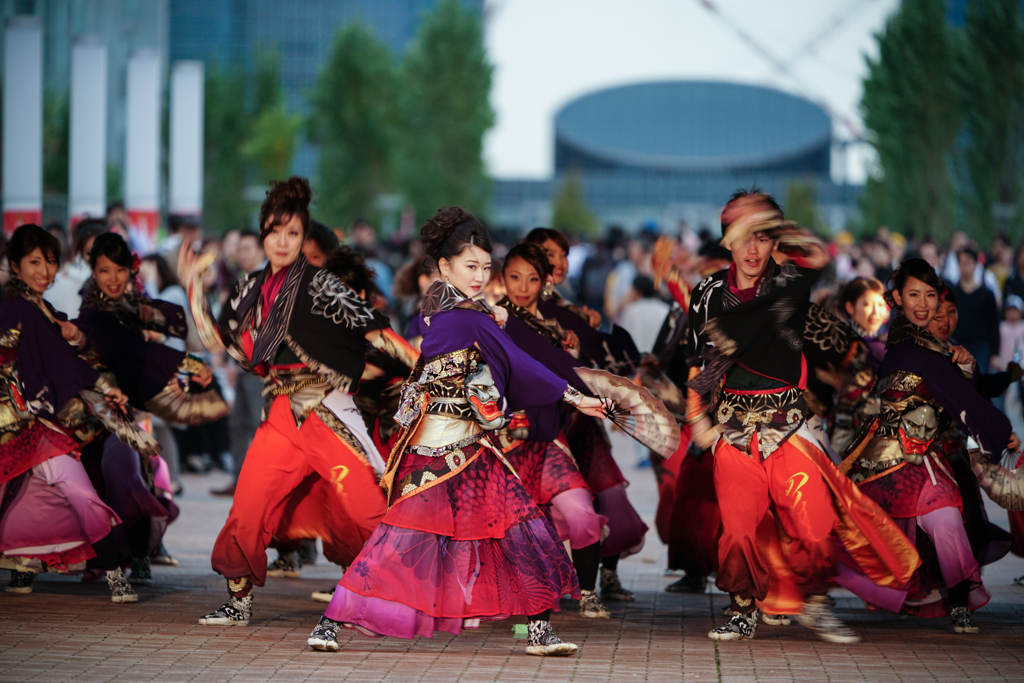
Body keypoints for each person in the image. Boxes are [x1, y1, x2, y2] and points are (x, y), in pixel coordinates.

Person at [310, 207, 608, 656]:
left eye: (486, 268)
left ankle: (540, 629)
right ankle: (331, 621)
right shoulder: (467, 318)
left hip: (464, 445)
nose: (480, 276)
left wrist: (491, 313)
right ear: (445, 266)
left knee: (516, 523)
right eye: (471, 267)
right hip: (441, 449)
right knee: (406, 538)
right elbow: (518, 362)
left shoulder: (439, 305)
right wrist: (574, 396)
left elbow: (484, 342)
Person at [688, 191, 917, 643]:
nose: (753, 249)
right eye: (742, 237)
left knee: (813, 521)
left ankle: (815, 601)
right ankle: (742, 609)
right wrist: (697, 419)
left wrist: (776, 224)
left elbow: (817, 254)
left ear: (774, 240)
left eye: (762, 237)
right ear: (727, 241)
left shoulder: (789, 282)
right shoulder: (708, 294)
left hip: (789, 425)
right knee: (737, 530)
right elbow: (700, 363)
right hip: (732, 429)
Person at [179, 177, 399, 627]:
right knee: (247, 508)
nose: (282, 241)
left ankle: (400, 589)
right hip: (280, 414)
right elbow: (219, 342)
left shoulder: (320, 285)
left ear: (302, 237)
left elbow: (376, 332)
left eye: (293, 233)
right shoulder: (248, 288)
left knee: (367, 508)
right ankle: (238, 601)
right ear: (263, 233)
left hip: (326, 408)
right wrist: (193, 291)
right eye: (275, 232)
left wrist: (428, 364)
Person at [842, 259, 1017, 632]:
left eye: (930, 296)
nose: (924, 305)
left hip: (926, 461)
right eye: (914, 295)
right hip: (885, 464)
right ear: (897, 299)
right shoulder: (909, 347)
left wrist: (968, 370)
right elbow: (957, 392)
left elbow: (962, 389)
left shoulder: (928, 347)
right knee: (849, 534)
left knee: (946, 521)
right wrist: (1000, 431)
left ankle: (958, 602)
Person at [76, 233, 230, 582]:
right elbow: (124, 349)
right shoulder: (91, 312)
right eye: (104, 270)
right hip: (91, 413)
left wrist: (184, 294)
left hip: (132, 412)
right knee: (98, 480)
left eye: (120, 270)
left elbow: (186, 335)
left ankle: (140, 552)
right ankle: (109, 558)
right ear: (93, 271)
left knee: (129, 473)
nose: (113, 278)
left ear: (131, 271)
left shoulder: (140, 306)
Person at [0, 225, 137, 602]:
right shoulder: (14, 309)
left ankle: (113, 572)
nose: (45, 271)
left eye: (50, 262)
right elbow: (61, 363)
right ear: (15, 265)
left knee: (74, 490)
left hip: (40, 426)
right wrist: (102, 385)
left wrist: (79, 342)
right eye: (34, 262)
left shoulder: (45, 312)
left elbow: (69, 360)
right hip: (12, 427)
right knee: (68, 491)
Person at [497, 242, 612, 619]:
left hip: (548, 437)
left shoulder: (558, 327)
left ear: (545, 281)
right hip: (506, 442)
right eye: (514, 277)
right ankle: (514, 598)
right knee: (506, 527)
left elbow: (578, 373)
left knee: (581, 514)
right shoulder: (495, 320)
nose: (522, 287)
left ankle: (588, 592)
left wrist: (572, 353)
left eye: (532, 279)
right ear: (502, 278)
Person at [829, 277, 889, 455]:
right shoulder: (848, 344)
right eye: (867, 304)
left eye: (880, 305)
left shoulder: (879, 342)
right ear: (850, 308)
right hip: (847, 435)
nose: (875, 312)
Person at [953, 248, 1001, 372]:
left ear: (975, 264)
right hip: (958, 345)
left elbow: (993, 324)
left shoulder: (986, 295)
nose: (965, 267)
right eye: (961, 263)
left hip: (981, 346)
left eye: (968, 263)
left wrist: (995, 353)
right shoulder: (952, 294)